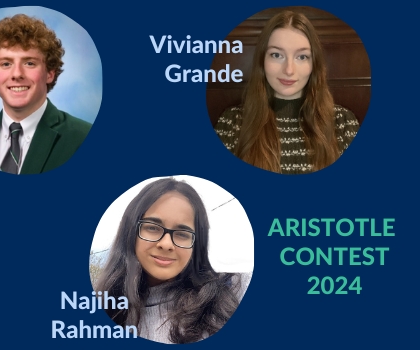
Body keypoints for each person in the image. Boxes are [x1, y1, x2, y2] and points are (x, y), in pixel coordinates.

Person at [95, 178, 249, 344]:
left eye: (182, 233)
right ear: (131, 232)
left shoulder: (233, 291)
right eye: (152, 227)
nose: (166, 244)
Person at [214, 10, 359, 174]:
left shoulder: (343, 123)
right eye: (276, 55)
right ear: (262, 61)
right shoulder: (233, 123)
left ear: (314, 64)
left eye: (302, 57)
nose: (289, 70)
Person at [0, 14, 91, 174]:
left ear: (50, 73)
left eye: (29, 63)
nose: (17, 74)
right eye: (6, 64)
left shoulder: (83, 139)